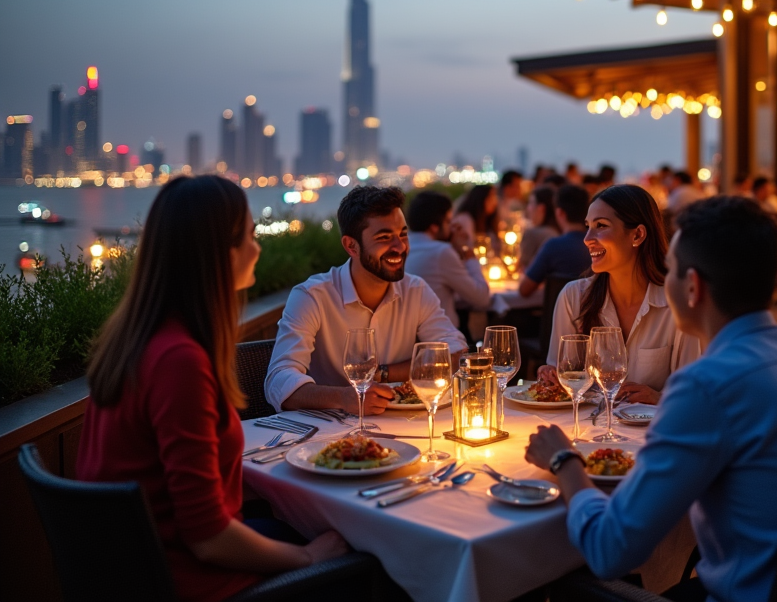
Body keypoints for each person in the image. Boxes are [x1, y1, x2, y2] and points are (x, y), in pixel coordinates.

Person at [525, 196, 777, 602]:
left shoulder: (707, 386)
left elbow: (610, 549)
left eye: (673, 270)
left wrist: (565, 461)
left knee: (555, 586)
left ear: (693, 286)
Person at [78, 176, 347, 602]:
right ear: (217, 254)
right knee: (369, 562)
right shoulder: (178, 362)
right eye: (250, 236)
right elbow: (209, 538)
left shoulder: (137, 341)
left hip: (134, 571)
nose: (258, 248)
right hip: (193, 582)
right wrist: (309, 558)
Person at [265, 186, 466, 412]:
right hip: (329, 434)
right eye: (384, 237)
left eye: (402, 234)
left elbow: (455, 354)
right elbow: (279, 380)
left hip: (406, 426)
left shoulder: (415, 290)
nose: (400, 247)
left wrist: (382, 372)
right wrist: (343, 398)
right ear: (351, 246)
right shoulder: (313, 297)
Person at [536, 185, 701, 403]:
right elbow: (564, 385)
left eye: (600, 226)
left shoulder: (677, 304)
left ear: (638, 234)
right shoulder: (573, 298)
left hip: (651, 432)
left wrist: (658, 397)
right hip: (587, 430)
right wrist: (551, 377)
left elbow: (692, 395)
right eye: (588, 226)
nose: (587, 238)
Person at [405, 190, 491, 327]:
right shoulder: (441, 252)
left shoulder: (403, 247)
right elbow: (482, 298)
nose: (452, 228)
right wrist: (467, 251)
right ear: (434, 227)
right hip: (443, 337)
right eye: (448, 221)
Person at [519, 184, 592, 298]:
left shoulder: (553, 246)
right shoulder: (597, 245)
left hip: (557, 314)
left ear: (560, 213)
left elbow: (524, 290)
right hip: (593, 313)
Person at [518, 185, 560, 272]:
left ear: (541, 208)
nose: (528, 208)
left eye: (530, 203)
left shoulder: (532, 234)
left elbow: (522, 268)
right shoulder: (560, 232)